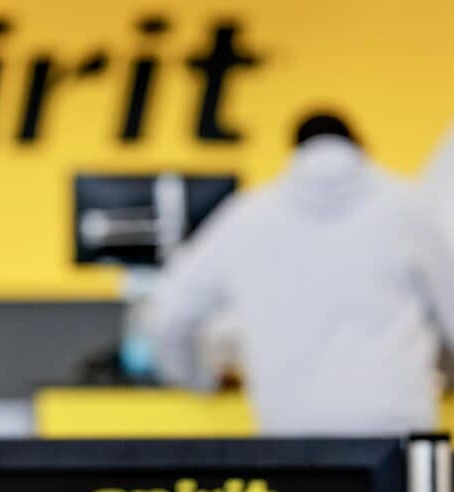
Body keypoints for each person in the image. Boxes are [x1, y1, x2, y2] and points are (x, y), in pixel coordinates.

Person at [146, 113, 454, 435]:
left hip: (293, 433)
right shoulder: (409, 209)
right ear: (360, 144)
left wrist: (198, 378)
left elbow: (166, 314)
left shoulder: (247, 216)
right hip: (396, 425)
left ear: (294, 151)